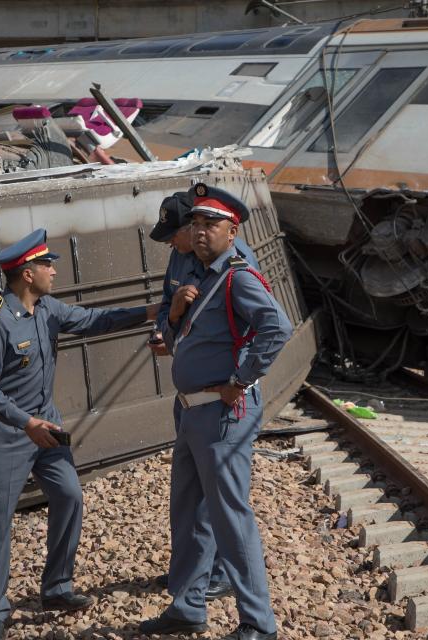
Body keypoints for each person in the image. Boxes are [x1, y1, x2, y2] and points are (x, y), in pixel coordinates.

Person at [0, 228, 157, 640]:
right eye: (46, 264)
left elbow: (94, 320)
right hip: (8, 434)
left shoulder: (49, 309)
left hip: (47, 427)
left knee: (70, 495)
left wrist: (152, 311)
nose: (53, 270)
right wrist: (26, 423)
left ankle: (56, 588)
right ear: (26, 273)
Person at [139, 184, 291, 640]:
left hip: (222, 411)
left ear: (233, 231)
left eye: (211, 225)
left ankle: (258, 624)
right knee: (187, 512)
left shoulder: (237, 276)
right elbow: (176, 329)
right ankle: (187, 606)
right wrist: (176, 312)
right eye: (197, 224)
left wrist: (241, 379)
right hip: (191, 410)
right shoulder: (199, 276)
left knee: (229, 516)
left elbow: (276, 329)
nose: (201, 232)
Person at [147, 191, 260, 602]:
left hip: (222, 400)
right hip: (190, 399)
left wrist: (239, 382)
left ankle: (220, 576)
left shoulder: (234, 267)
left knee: (222, 500)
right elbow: (168, 307)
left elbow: (258, 330)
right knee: (189, 498)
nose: (179, 242)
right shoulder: (181, 258)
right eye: (192, 228)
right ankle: (189, 577)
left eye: (198, 227)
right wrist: (169, 325)